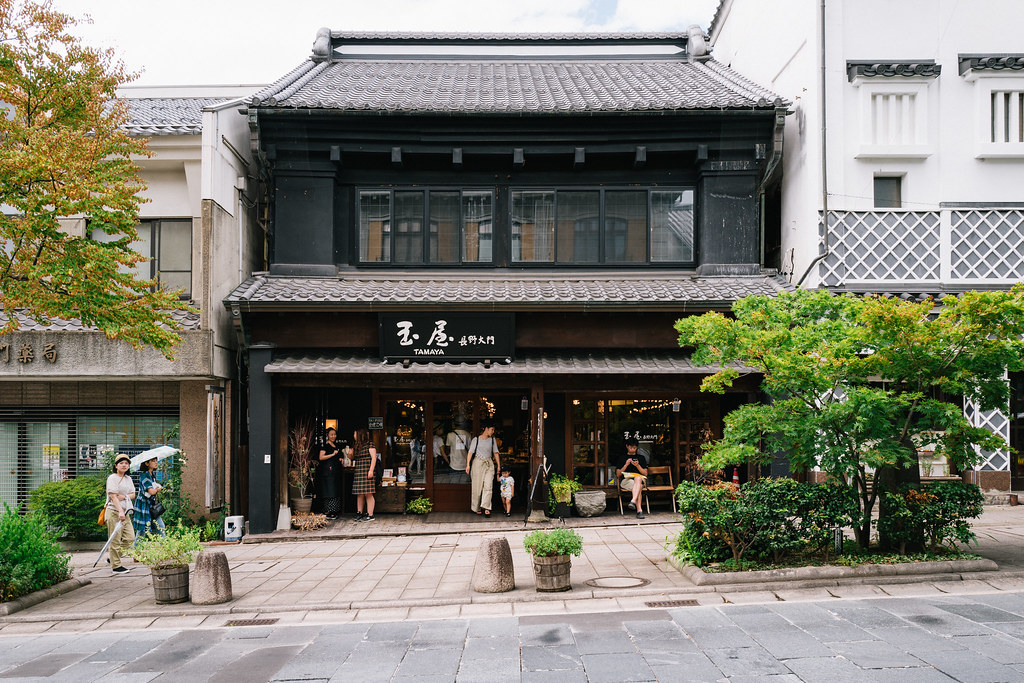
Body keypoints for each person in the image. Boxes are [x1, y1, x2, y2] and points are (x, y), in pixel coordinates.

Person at [105, 454, 136, 574]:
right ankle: (116, 566)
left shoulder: (129, 479)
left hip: (126, 512)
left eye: (126, 463)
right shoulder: (112, 478)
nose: (124, 465)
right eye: (121, 463)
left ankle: (113, 557)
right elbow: (113, 496)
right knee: (115, 539)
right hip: (114, 511)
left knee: (130, 538)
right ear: (116, 465)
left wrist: (124, 496)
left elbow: (133, 494)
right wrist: (120, 511)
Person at [466, 421, 501, 516]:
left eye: (493, 430)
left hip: (488, 463)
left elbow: (496, 453)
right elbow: (470, 452)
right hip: (478, 463)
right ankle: (476, 507)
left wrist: (498, 465)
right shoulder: (476, 440)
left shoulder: (492, 440)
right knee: (477, 487)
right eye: (491, 429)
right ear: (486, 428)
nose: (493, 431)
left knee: (488, 486)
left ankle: (486, 507)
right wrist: (468, 464)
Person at [132, 456, 166, 544]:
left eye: (156, 461)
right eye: (153, 461)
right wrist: (157, 489)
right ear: (147, 463)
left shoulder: (152, 476)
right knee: (141, 531)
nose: (156, 463)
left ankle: (165, 550)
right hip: (143, 506)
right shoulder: (144, 475)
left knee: (161, 527)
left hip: (150, 506)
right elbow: (151, 491)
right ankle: (136, 553)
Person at [616, 437, 649, 519]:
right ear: (627, 446)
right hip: (626, 480)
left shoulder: (641, 458)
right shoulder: (622, 458)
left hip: (640, 479)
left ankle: (634, 502)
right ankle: (639, 510)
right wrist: (626, 465)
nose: (632, 450)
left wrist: (638, 466)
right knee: (639, 487)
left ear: (637, 447)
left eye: (634, 448)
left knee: (638, 479)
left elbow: (645, 473)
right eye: (630, 447)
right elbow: (618, 474)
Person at [317, 428, 344, 519]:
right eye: (331, 434)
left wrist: (340, 459)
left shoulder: (335, 445)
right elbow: (321, 457)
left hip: (335, 471)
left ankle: (335, 511)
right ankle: (328, 511)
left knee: (335, 490)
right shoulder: (325, 445)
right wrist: (332, 454)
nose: (333, 436)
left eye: (335, 434)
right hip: (328, 471)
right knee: (329, 490)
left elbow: (338, 456)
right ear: (327, 435)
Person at [352, 427, 377, 521]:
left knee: (368, 493)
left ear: (359, 435)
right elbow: (352, 457)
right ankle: (359, 512)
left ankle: (370, 515)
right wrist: (350, 453)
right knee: (359, 493)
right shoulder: (357, 445)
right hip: (359, 469)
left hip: (367, 469)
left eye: (355, 434)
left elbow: (374, 457)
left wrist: (371, 470)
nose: (354, 436)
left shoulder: (370, 444)